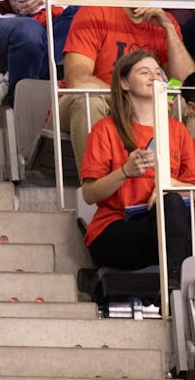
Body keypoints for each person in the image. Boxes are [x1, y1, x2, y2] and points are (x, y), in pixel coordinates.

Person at [59, 0, 193, 152]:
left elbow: (186, 82)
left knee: (189, 107)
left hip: (143, 103)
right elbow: (78, 80)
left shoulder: (165, 22)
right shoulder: (94, 13)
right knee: (90, 102)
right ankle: (94, 183)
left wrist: (168, 28)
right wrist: (130, 101)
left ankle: (184, 181)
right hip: (88, 102)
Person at [80, 46, 195, 274]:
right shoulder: (106, 129)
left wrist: (168, 186)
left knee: (171, 204)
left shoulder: (178, 131)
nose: (154, 77)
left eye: (157, 72)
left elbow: (191, 186)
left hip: (167, 222)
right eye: (144, 72)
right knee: (173, 217)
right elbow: (90, 193)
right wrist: (125, 171)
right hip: (117, 228)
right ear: (124, 83)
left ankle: (177, 287)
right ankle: (179, 292)